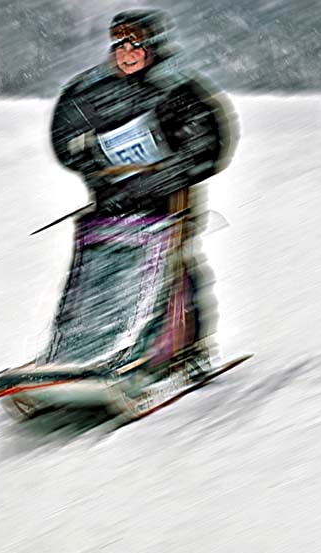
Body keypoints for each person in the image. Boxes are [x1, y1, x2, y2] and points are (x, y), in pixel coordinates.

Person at [49, 9, 236, 372]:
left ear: (153, 48)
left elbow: (209, 147)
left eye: (136, 45)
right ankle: (82, 347)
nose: (127, 53)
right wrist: (93, 171)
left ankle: (187, 349)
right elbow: (63, 136)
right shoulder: (95, 92)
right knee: (101, 269)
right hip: (111, 202)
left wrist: (160, 177)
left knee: (174, 269)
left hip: (169, 201)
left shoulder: (178, 91)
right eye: (120, 45)